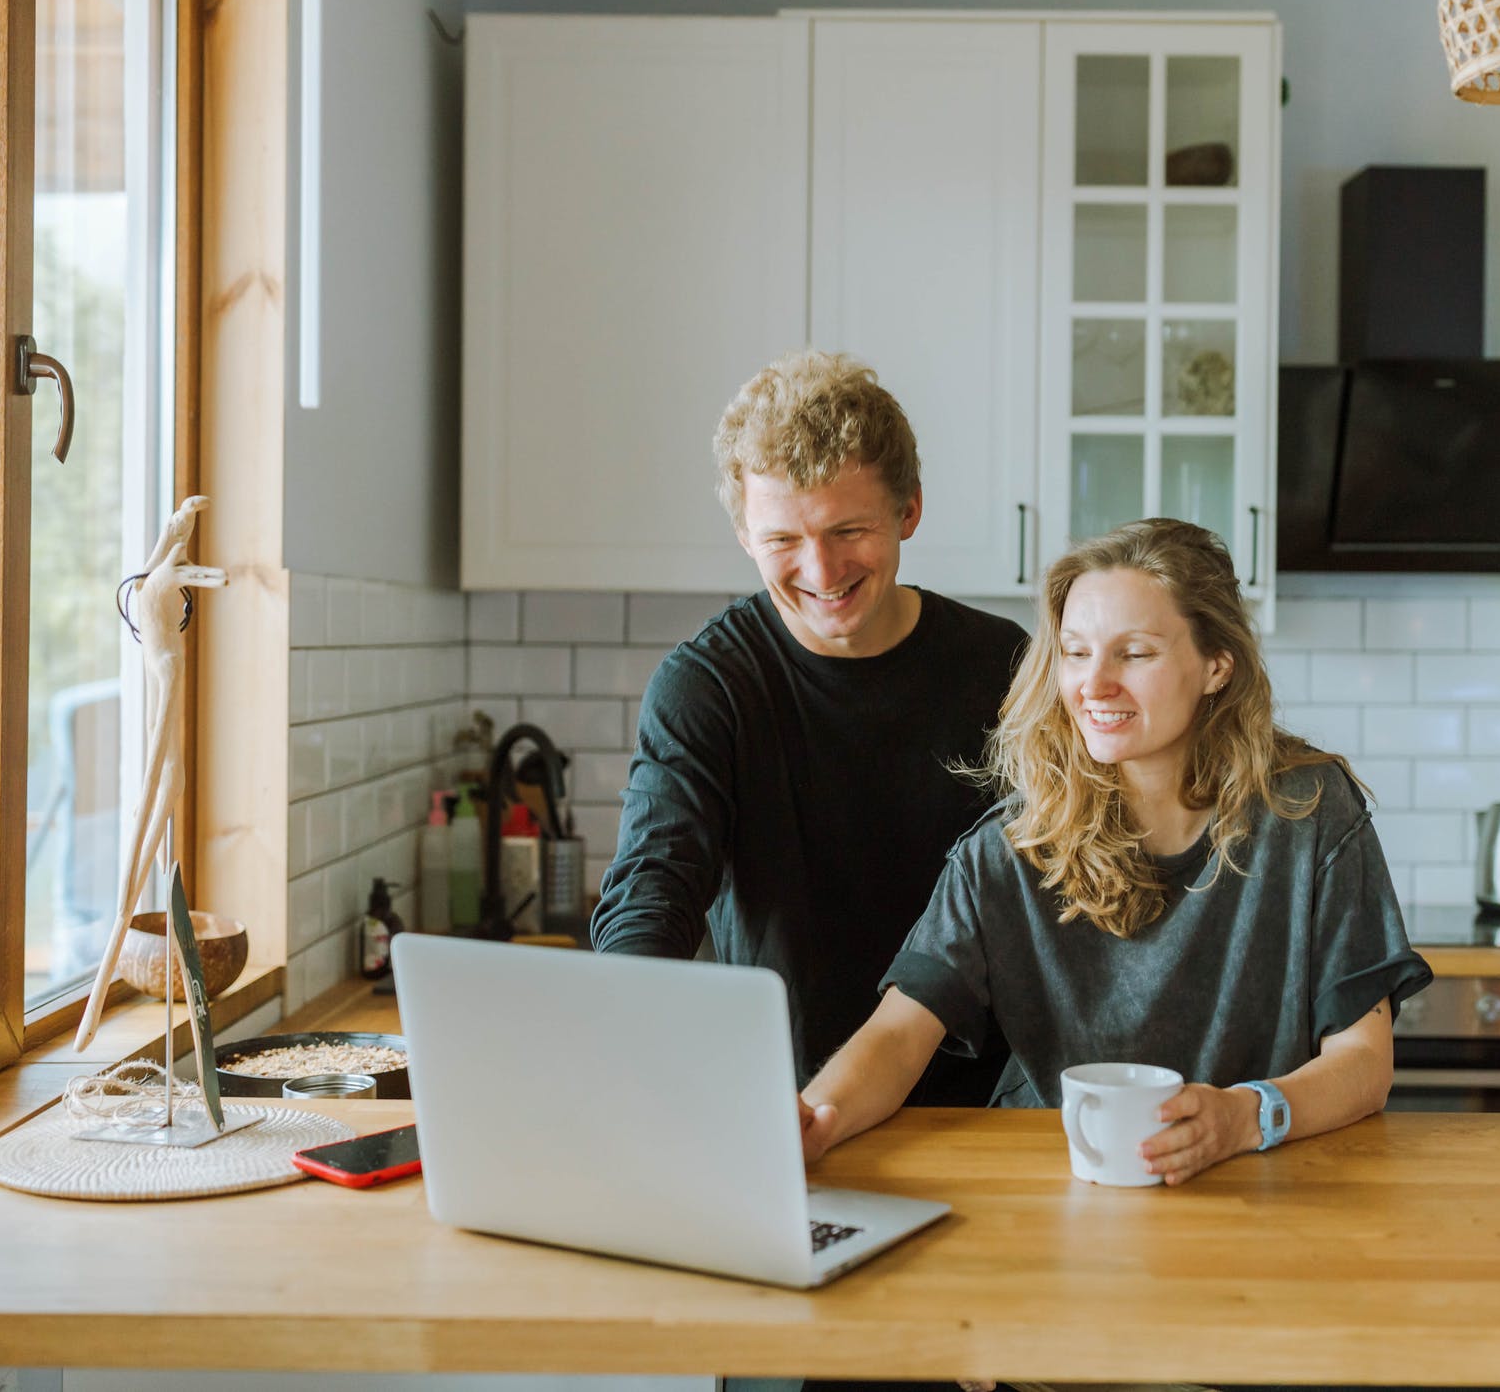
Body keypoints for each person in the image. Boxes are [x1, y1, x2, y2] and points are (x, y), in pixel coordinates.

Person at [798, 517, 1433, 1184]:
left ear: (1217, 665)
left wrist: (1244, 1117)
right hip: (1060, 1188)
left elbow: (1364, 1062)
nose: (1094, 685)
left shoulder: (1307, 812)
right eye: (1076, 652)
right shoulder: (1012, 846)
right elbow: (898, 1035)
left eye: (1134, 654)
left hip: (1256, 1187)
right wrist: (815, 1119)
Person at [589, 349, 1025, 1106]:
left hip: (983, 1107)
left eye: (848, 529)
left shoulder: (1006, 669)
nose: (822, 571)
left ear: (909, 511)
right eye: (783, 540)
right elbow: (654, 884)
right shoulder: (707, 686)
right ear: (744, 534)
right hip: (783, 1105)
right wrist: (628, 1015)